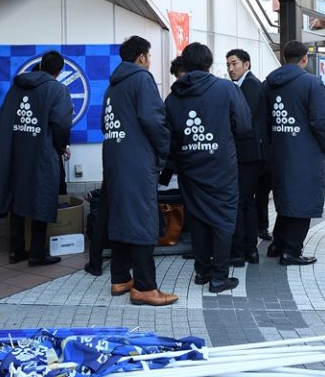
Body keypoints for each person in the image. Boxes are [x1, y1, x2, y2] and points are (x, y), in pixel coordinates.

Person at [165, 43, 250, 292]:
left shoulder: (173, 97)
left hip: (189, 167)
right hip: (221, 165)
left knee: (198, 217)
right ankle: (219, 277)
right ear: (209, 63)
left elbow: (168, 138)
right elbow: (244, 126)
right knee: (224, 218)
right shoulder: (227, 89)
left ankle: (202, 271)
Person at [102, 35, 176, 306]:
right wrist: (164, 151)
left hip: (115, 159)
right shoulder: (142, 79)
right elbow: (153, 120)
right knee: (143, 218)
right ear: (142, 57)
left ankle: (120, 278)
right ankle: (145, 286)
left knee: (122, 217)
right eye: (149, 56)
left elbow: (104, 124)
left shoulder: (113, 86)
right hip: (137, 161)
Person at [0, 50, 73, 267]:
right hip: (42, 152)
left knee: (16, 197)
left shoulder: (16, 87)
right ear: (59, 71)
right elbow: (61, 124)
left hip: (16, 152)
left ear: (41, 65)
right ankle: (37, 254)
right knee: (41, 197)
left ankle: (16, 250)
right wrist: (61, 147)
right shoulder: (57, 89)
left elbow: (2, 118)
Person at [264, 40, 325, 265]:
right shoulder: (311, 83)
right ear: (305, 58)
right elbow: (321, 121)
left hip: (279, 150)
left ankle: (277, 244)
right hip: (306, 152)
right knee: (303, 201)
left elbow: (264, 120)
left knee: (286, 198)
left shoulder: (269, 83)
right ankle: (292, 252)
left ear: (284, 58)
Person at [226, 49, 268, 266]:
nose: (231, 69)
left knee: (244, 201)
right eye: (228, 65)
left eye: (234, 64)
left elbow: (243, 119)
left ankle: (246, 250)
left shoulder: (251, 85)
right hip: (245, 153)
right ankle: (247, 250)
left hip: (249, 154)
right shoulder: (240, 85)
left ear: (247, 64)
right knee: (245, 201)